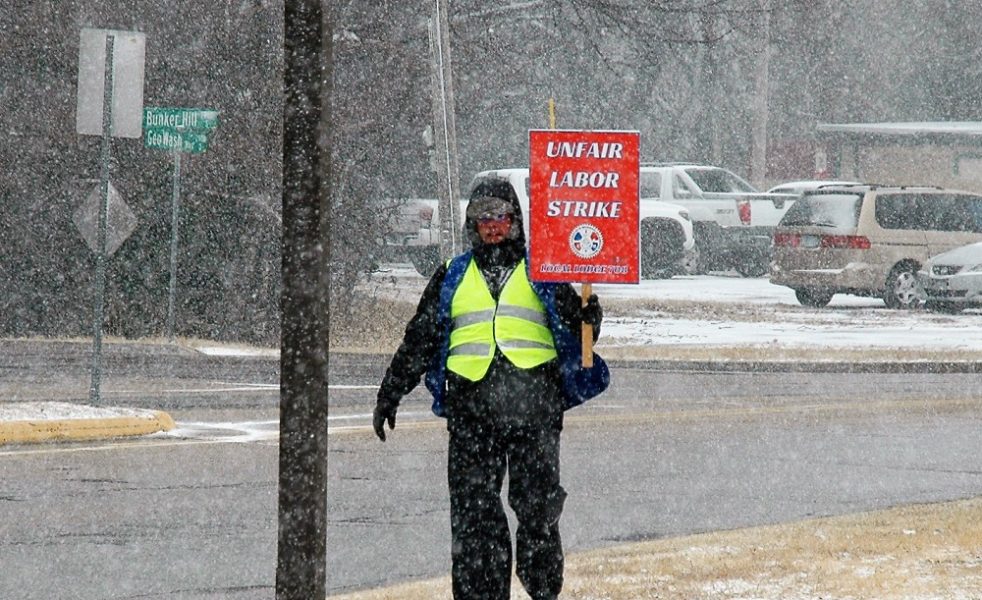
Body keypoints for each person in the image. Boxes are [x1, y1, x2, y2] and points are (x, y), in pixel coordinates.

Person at [373, 176, 609, 600]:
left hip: (534, 406)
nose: (492, 225)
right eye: (483, 217)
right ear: (472, 224)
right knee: (473, 513)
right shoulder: (452, 274)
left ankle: (542, 586)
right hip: (471, 411)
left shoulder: (547, 272)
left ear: (515, 219)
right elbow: (420, 338)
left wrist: (590, 316)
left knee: (536, 507)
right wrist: (391, 391)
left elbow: (581, 331)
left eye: (500, 215)